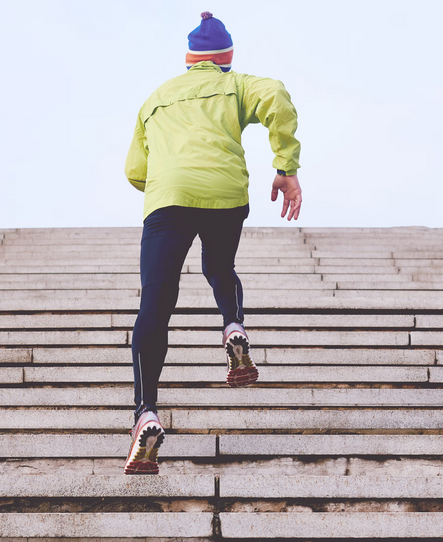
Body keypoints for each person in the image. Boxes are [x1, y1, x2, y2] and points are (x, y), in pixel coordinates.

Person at [123, 12, 302, 475]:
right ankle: (233, 326)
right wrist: (285, 166)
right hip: (225, 194)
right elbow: (277, 96)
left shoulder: (155, 98)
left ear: (188, 60)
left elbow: (134, 170)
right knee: (219, 268)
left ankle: (146, 412)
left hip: (168, 200)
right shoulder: (236, 84)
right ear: (226, 59)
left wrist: (169, 179)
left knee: (156, 301)